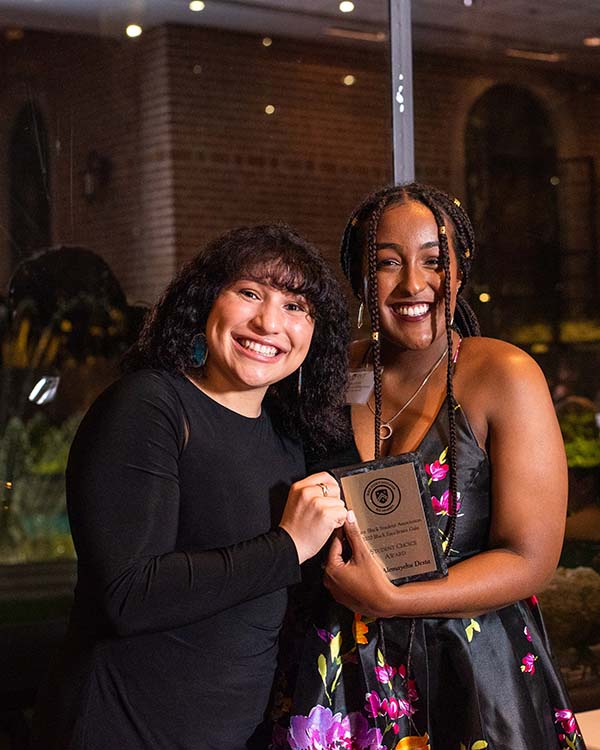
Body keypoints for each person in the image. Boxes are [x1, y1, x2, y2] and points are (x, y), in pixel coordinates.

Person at [277, 184, 585, 750]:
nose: (413, 285)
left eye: (434, 261)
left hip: (469, 671)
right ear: (360, 278)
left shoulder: (503, 373)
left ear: (460, 271)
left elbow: (531, 558)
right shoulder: (326, 375)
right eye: (387, 263)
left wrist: (391, 600)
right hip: (340, 674)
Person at [31, 224, 351, 750]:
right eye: (249, 293)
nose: (269, 322)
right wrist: (289, 546)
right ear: (205, 302)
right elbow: (128, 595)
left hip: (230, 733)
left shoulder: (290, 437)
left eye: (296, 306)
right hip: (120, 728)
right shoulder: (149, 406)